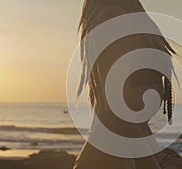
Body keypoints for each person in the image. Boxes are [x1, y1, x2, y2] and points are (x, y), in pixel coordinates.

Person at [73, 0, 175, 168]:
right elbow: (119, 106)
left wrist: (160, 158)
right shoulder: (110, 16)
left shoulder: (128, 14)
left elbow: (134, 118)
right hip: (108, 159)